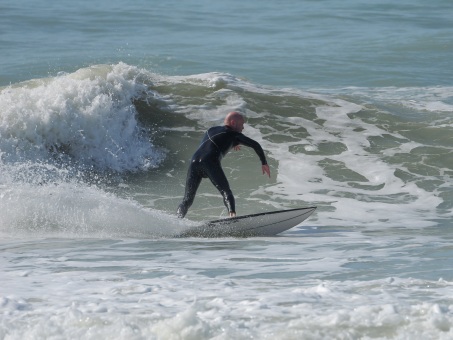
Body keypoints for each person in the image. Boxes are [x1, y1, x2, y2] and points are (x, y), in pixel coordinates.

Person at [177, 111, 271, 218]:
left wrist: (233, 143)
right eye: (242, 124)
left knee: (187, 200)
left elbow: (216, 141)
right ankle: (232, 217)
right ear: (233, 123)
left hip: (194, 162)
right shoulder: (234, 135)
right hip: (210, 162)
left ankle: (177, 220)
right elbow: (256, 145)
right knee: (226, 192)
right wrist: (264, 163)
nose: (243, 128)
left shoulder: (211, 130)